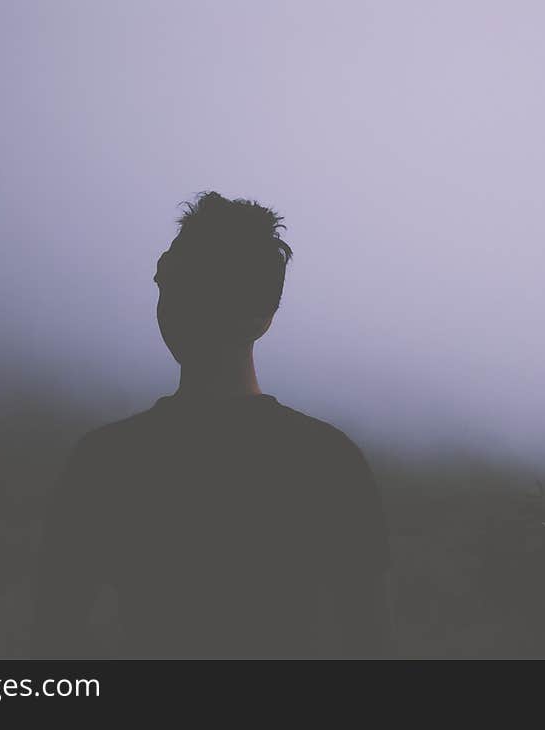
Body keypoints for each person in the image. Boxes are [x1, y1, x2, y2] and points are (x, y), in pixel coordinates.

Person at [33, 192, 392, 658]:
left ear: (168, 293)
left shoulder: (107, 460)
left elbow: (54, 637)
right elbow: (370, 640)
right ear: (266, 315)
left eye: (169, 275)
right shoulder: (329, 459)